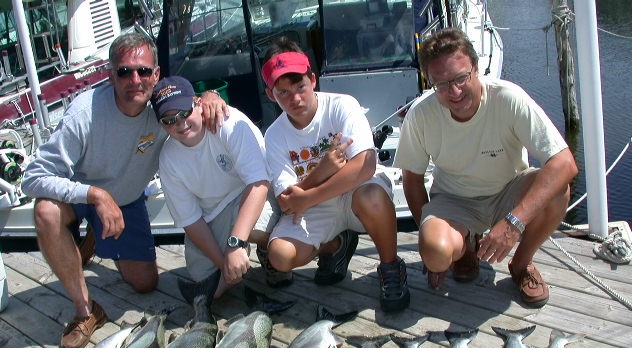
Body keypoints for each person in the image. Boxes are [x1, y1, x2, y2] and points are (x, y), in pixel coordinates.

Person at [21, 33, 228, 348]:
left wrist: (211, 95)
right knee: (46, 211)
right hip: (80, 195)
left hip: (127, 200)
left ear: (156, 75)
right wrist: (96, 196)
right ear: (110, 75)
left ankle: (92, 238)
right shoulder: (83, 113)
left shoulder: (163, 108)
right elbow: (32, 179)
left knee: (145, 284)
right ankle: (85, 311)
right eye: (124, 72)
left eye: (143, 71)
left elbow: (191, 100)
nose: (135, 80)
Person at [395, 28, 578, 307]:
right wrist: (430, 242)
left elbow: (565, 163)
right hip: (454, 200)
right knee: (435, 253)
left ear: (476, 69)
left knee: (559, 190)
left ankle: (522, 264)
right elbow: (412, 181)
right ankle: (465, 249)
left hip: (509, 190)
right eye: (441, 84)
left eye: (460, 78)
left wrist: (514, 222)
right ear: (429, 82)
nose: (454, 92)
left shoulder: (508, 98)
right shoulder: (421, 114)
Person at [261, 37, 410, 312]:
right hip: (318, 207)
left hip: (356, 191)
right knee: (280, 256)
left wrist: (308, 196)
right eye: (283, 92)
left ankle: (390, 266)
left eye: (300, 87)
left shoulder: (342, 105)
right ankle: (336, 246)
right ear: (271, 95)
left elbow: (365, 164)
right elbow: (286, 201)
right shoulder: (274, 135)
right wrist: (323, 170)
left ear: (313, 80)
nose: (295, 98)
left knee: (372, 196)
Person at [150, 76, 288, 298]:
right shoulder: (168, 158)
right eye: (169, 120)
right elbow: (190, 220)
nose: (180, 123)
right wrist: (224, 265)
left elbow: (259, 183)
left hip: (251, 193)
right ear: (161, 124)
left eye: (185, 113)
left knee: (256, 229)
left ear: (198, 103)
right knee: (210, 287)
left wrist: (235, 244)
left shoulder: (228, 122)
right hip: (214, 214)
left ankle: (266, 249)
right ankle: (233, 265)